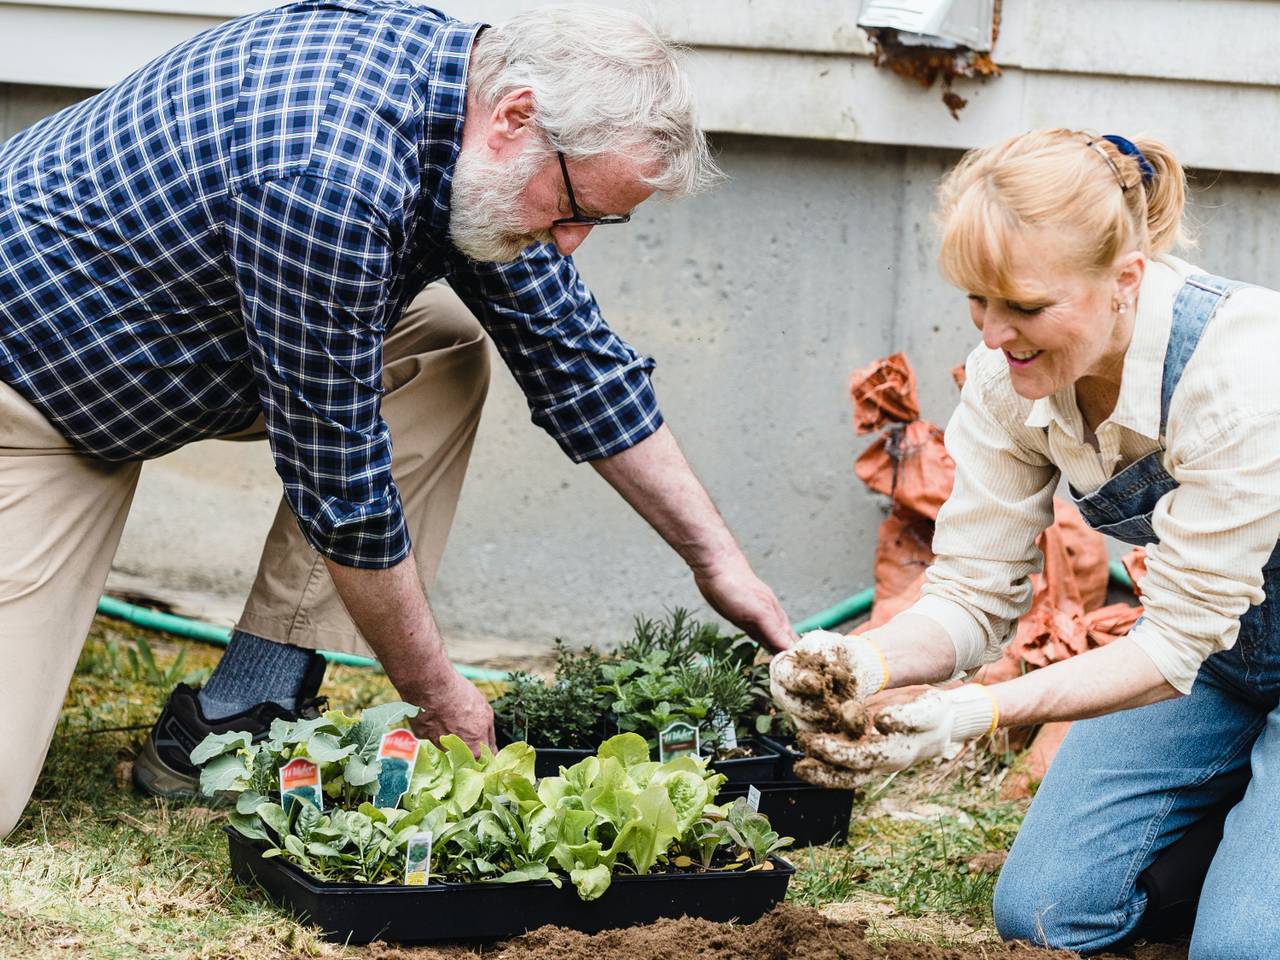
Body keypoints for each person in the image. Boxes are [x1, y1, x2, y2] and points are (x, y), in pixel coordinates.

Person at [0, 1, 796, 833]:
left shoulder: (471, 118)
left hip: (175, 346)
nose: (570, 244)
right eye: (574, 211)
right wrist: (435, 691)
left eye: (599, 220)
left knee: (441, 343)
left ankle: (242, 708)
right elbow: (341, 488)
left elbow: (573, 357)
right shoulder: (328, 174)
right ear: (517, 117)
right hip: (34, 387)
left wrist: (718, 564)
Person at [771, 129, 1280, 957]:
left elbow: (1169, 647)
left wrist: (974, 711)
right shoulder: (1013, 383)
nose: (995, 334)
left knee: (1242, 952)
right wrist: (860, 662)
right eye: (979, 300)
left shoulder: (1243, 377)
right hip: (1223, 658)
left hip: (1189, 648)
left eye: (1026, 307)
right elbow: (971, 595)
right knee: (1043, 913)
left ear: (1125, 280)